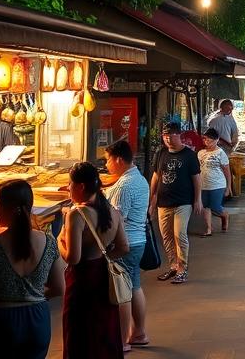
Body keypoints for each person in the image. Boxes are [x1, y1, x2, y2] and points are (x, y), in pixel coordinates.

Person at [0, 180, 64, 359]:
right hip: (37, 320)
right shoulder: (49, 242)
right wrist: (32, 294)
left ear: (4, 209)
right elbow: (59, 288)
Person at [59, 161, 128, 359]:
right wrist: (104, 258)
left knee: (79, 335)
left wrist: (58, 243)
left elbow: (73, 258)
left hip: (81, 284)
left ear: (80, 187)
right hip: (103, 279)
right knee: (103, 332)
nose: (68, 188)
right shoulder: (112, 211)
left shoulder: (77, 215)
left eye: (70, 184)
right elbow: (124, 247)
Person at [104, 140, 150, 350]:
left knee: (121, 293)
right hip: (138, 240)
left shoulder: (124, 186)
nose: (106, 165)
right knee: (134, 286)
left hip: (126, 244)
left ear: (118, 160)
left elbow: (116, 221)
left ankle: (122, 341)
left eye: (108, 160)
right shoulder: (139, 179)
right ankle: (138, 333)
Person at [150, 123, 202, 284]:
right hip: (163, 202)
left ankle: (182, 269)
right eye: (165, 136)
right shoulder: (161, 153)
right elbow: (156, 176)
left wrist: (197, 199)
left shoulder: (189, 155)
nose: (168, 139)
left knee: (180, 235)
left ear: (179, 135)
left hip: (183, 202)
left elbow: (196, 179)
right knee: (166, 236)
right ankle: (173, 266)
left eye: (171, 135)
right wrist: (152, 198)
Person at [197, 128, 231, 236]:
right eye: (205, 140)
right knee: (206, 206)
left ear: (217, 140)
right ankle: (208, 228)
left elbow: (227, 170)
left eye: (210, 140)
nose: (207, 142)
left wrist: (228, 186)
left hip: (217, 184)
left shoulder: (220, 153)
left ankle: (224, 215)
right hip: (203, 184)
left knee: (215, 206)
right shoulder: (201, 153)